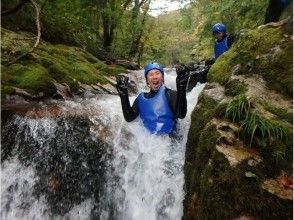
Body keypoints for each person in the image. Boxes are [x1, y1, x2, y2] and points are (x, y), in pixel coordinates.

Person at [116, 62, 189, 135]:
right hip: (149, 143)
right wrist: (123, 96)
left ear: (162, 77)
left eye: (157, 73)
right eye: (151, 74)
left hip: (171, 141)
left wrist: (181, 86)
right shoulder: (141, 98)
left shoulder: (170, 94)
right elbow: (129, 118)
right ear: (147, 80)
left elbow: (181, 114)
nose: (155, 77)